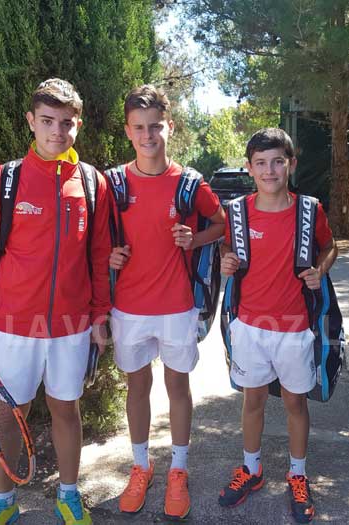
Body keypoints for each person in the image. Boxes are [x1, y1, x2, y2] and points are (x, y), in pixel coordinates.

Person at [0, 78, 111, 525]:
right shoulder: (3, 180)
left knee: (66, 409)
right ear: (31, 121)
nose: (57, 131)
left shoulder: (92, 183)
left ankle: (68, 495)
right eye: (47, 121)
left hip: (71, 326)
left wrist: (99, 317)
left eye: (66, 122)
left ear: (78, 125)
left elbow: (100, 257)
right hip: (12, 327)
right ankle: (3, 500)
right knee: (9, 415)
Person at [108, 85, 225, 520]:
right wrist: (108, 256)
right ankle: (141, 466)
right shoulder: (114, 183)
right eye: (139, 127)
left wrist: (196, 238)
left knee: (178, 387)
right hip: (128, 308)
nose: (148, 135)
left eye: (155, 126)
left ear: (169, 126)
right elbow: (96, 238)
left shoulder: (190, 183)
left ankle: (178, 469)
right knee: (137, 387)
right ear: (127, 131)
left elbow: (222, 224)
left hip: (178, 306)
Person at [218, 127, 337, 523]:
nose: (269, 170)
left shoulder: (309, 210)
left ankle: (297, 474)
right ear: (250, 168)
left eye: (277, 162)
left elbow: (329, 246)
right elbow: (227, 246)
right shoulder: (237, 211)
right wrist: (226, 258)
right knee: (252, 400)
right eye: (261, 163)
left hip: (295, 327)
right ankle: (251, 469)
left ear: (291, 164)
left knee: (295, 403)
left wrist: (321, 269)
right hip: (249, 326)